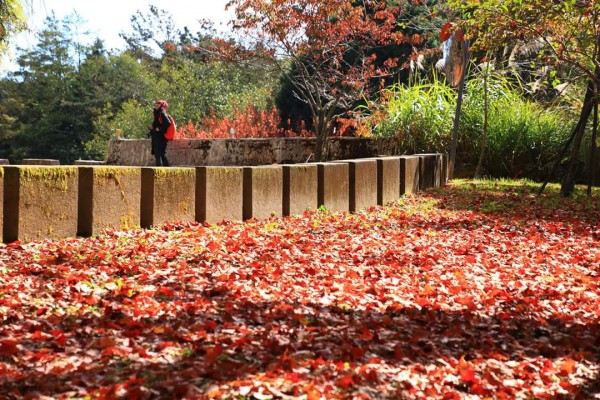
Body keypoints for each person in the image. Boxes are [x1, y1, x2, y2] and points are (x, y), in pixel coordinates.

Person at [149, 99, 171, 166]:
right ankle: (162, 169)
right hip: (157, 136)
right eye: (156, 103)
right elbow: (156, 124)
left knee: (160, 154)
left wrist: (160, 129)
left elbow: (168, 122)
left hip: (161, 137)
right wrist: (152, 128)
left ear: (162, 105)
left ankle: (161, 170)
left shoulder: (162, 112)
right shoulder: (157, 113)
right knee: (158, 154)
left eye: (159, 103)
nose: (156, 104)